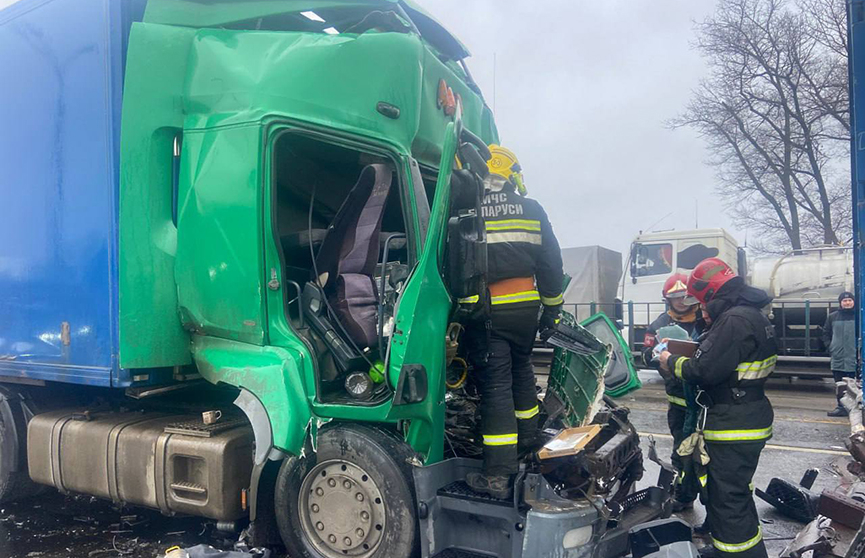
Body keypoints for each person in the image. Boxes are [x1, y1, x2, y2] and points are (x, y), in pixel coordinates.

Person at [463, 144, 564, 499]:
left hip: (490, 312)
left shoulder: (470, 211)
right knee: (522, 372)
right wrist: (551, 309)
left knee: (496, 388)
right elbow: (551, 264)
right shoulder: (532, 209)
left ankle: (498, 475)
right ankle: (529, 441)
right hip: (526, 310)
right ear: (511, 176)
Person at [659, 258, 776, 558]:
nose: (702, 308)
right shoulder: (751, 315)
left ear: (711, 292)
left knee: (726, 499)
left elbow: (704, 370)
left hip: (732, 422)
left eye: (702, 301)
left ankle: (735, 554)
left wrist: (670, 361)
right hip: (745, 416)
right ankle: (736, 551)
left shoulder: (735, 320)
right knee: (734, 494)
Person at [642, 273, 704, 511]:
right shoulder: (659, 325)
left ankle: (708, 498)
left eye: (684, 296)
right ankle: (684, 495)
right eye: (676, 297)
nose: (681, 301)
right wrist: (660, 354)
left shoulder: (705, 319)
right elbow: (646, 356)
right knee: (681, 450)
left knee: (707, 453)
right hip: (679, 400)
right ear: (667, 299)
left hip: (705, 400)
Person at [823, 292, 857, 417]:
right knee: (840, 384)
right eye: (844, 301)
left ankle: (856, 409)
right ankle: (841, 407)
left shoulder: (859, 316)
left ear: (854, 302)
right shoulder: (832, 317)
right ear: (840, 303)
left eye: (850, 300)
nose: (847, 303)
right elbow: (826, 333)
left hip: (854, 357)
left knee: (855, 385)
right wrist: (830, 347)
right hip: (838, 357)